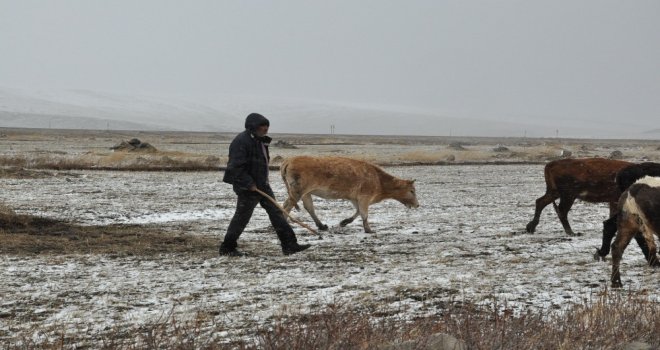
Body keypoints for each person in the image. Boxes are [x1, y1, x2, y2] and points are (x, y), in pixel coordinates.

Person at [220, 113, 311, 256]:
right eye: (262, 126)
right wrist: (249, 183)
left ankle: (289, 245)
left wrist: (262, 182)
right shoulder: (241, 142)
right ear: (252, 126)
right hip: (248, 188)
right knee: (241, 218)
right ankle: (227, 248)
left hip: (262, 185)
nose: (265, 129)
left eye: (267, 126)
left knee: (277, 214)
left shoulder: (259, 141)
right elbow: (235, 168)